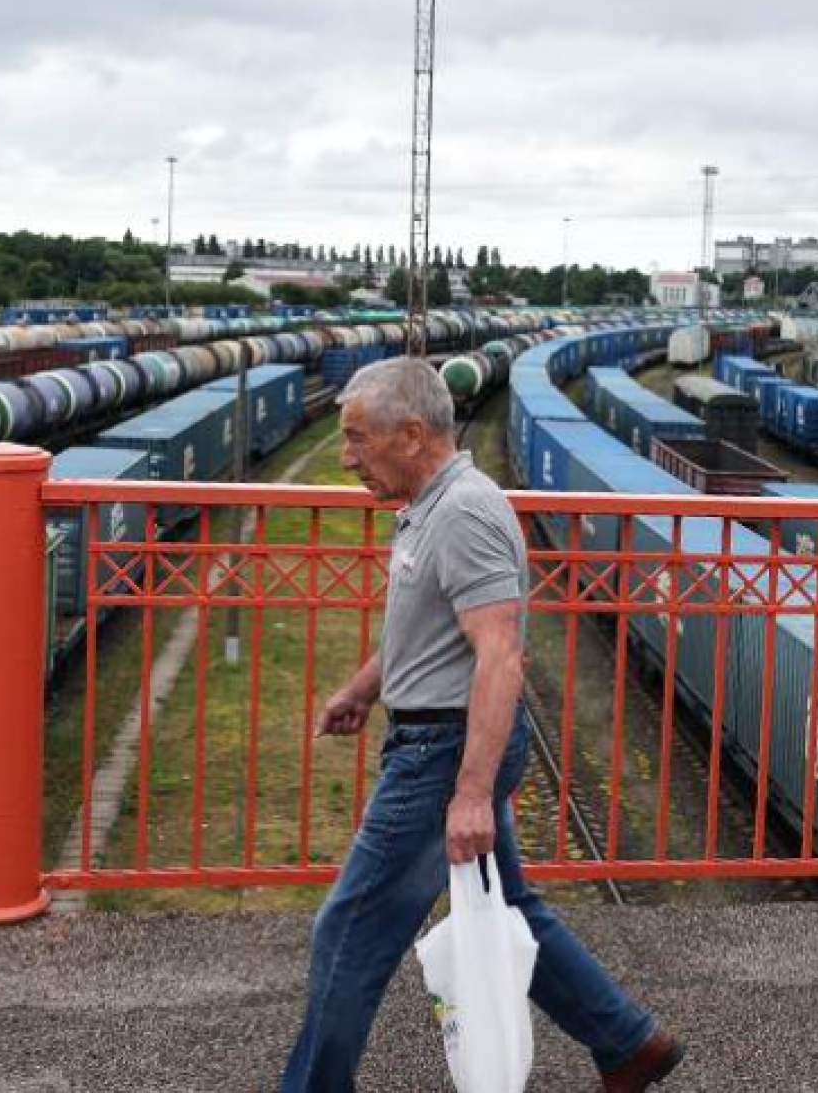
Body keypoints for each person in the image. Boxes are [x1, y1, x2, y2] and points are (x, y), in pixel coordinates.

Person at [282, 357, 684, 1093]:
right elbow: (429, 632)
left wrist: (469, 795)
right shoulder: (428, 505)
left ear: (410, 434)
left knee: (348, 932)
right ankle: (627, 1042)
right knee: (509, 903)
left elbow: (500, 656)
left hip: (442, 754)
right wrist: (366, 687)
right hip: (441, 740)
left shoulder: (464, 511)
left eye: (357, 439)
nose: (346, 458)